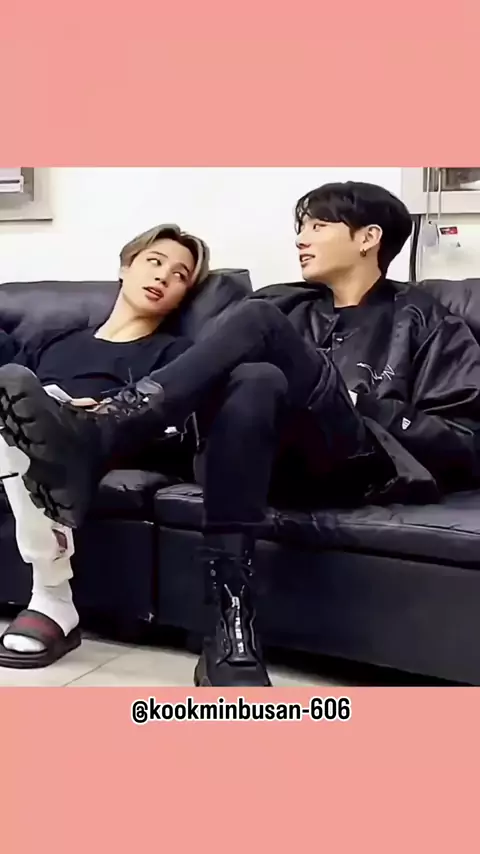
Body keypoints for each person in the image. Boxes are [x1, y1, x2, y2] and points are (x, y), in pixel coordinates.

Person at [2, 181, 480, 687]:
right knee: (257, 377)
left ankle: (106, 432)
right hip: (261, 459)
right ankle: (230, 631)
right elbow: (208, 389)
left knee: (259, 322)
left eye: (318, 226)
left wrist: (362, 403)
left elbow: (462, 440)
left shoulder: (425, 321)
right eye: (302, 227)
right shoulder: (286, 301)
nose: (301, 238)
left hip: (351, 461)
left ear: (368, 238)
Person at [0, 223, 210, 667]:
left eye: (179, 275)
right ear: (125, 267)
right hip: (24, 427)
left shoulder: (175, 354)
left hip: (87, 442)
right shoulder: (58, 341)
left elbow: (169, 426)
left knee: (26, 425)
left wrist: (100, 412)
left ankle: (52, 596)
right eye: (154, 262)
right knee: (17, 405)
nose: (163, 277)